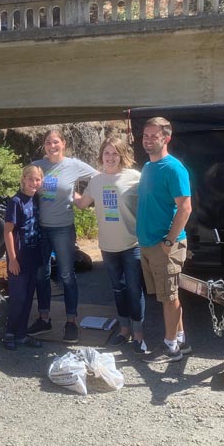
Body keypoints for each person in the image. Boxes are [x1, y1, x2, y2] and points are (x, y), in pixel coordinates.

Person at [76, 136, 147, 354]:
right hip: (107, 246)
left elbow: (151, 202)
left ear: (122, 155)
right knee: (118, 289)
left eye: (115, 153)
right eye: (106, 153)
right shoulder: (96, 181)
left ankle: (138, 335)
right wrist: (61, 188)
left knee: (135, 290)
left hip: (132, 243)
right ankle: (123, 330)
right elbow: (81, 204)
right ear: (101, 156)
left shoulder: (135, 177)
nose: (110, 157)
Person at [28, 129, 97, 343]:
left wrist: (79, 198)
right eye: (48, 142)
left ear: (63, 144)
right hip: (40, 229)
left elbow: (97, 176)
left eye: (55, 142)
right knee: (41, 274)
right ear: (44, 146)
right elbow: (27, 185)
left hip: (62, 229)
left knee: (67, 275)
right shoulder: (39, 165)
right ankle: (44, 318)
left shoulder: (73, 165)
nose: (52, 146)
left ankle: (71, 322)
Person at [136, 117, 193, 364]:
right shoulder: (148, 167)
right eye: (145, 136)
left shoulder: (173, 168)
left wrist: (169, 242)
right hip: (149, 245)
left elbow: (185, 208)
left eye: (154, 136)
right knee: (168, 296)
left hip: (165, 246)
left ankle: (171, 348)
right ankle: (180, 340)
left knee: (169, 298)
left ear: (166, 138)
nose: (148, 140)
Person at [3, 165, 44, 350]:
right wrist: (12, 259)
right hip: (18, 258)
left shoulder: (36, 200)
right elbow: (8, 231)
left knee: (28, 297)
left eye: (37, 180)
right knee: (17, 298)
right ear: (23, 179)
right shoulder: (16, 201)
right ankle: (9, 333)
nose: (34, 183)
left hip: (33, 256)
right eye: (30, 179)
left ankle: (21, 334)